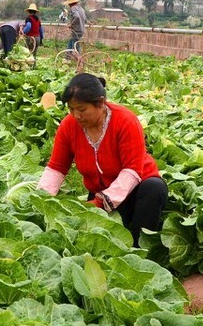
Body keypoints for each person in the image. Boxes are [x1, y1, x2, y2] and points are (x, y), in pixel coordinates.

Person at [37, 73, 167, 247]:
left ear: (100, 103)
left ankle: (140, 248)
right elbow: (57, 168)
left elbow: (132, 171)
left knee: (154, 188)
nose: (76, 115)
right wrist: (40, 199)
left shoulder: (126, 121)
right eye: (71, 109)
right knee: (99, 237)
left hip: (135, 190)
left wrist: (99, 203)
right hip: (100, 191)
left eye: (82, 110)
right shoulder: (69, 126)